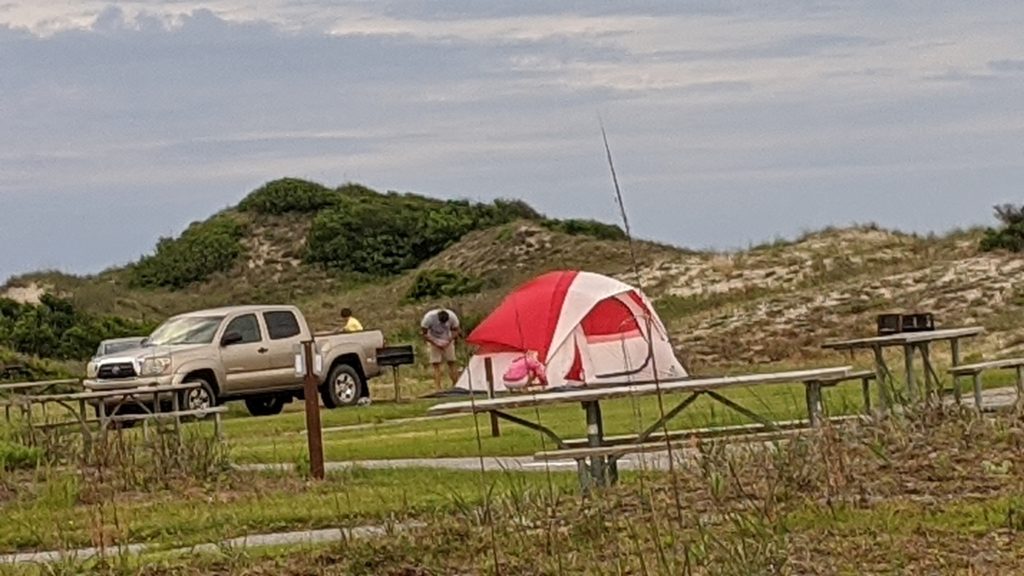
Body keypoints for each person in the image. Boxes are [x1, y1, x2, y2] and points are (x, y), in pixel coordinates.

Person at [421, 308, 460, 389]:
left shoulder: (453, 317)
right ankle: (438, 387)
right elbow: (424, 333)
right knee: (436, 364)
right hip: (433, 339)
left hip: (447, 339)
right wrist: (435, 343)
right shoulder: (428, 318)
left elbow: (456, 331)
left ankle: (456, 385)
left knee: (452, 362)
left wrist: (449, 341)